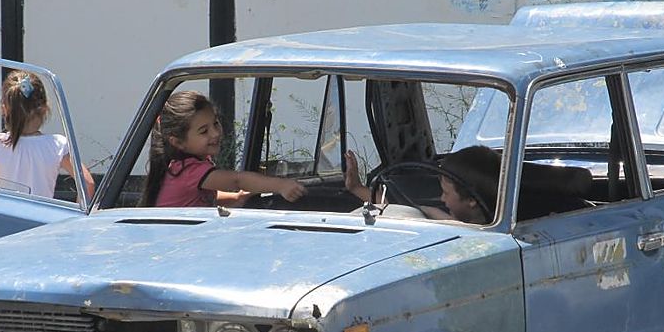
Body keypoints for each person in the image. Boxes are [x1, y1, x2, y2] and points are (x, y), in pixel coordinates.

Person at [139, 90, 306, 208]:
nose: (215, 133)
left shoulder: (187, 166)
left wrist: (236, 198)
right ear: (178, 142)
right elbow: (236, 180)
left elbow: (207, 196)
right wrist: (280, 185)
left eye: (216, 123)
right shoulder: (189, 170)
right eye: (204, 131)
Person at [0, 70, 95, 201]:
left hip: (4, 219)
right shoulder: (57, 145)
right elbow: (87, 183)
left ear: (4, 109)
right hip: (43, 221)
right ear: (44, 108)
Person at [344, 145, 498, 224]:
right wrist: (356, 187)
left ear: (472, 200)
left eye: (446, 193)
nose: (442, 198)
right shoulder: (445, 218)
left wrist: (430, 212)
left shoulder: (465, 230)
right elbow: (396, 208)